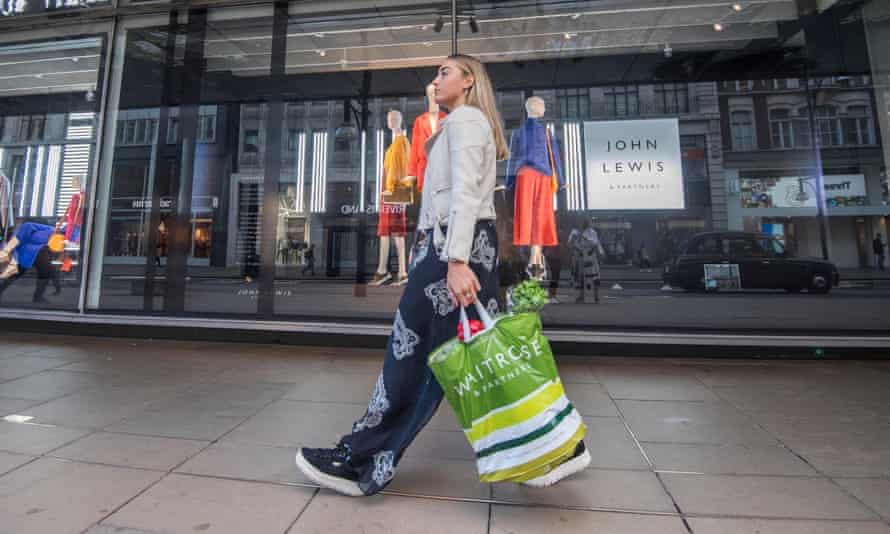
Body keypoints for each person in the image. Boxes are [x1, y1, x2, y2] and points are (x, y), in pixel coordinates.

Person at [295, 54, 589, 497]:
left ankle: (360, 458)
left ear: (469, 80)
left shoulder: (466, 121)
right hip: (457, 247)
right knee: (483, 352)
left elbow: (465, 195)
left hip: (454, 249)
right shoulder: (461, 123)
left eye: (444, 72)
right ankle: (553, 443)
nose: (435, 80)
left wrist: (454, 261)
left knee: (412, 357)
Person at [0, 222, 63, 304]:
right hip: (33, 253)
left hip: (32, 254)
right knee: (44, 272)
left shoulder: (51, 233)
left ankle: (40, 296)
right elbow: (32, 234)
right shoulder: (50, 231)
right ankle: (39, 297)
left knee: (44, 272)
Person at [569, 219, 605, 303]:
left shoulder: (592, 232)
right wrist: (573, 242)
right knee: (581, 277)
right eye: (580, 222)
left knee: (594, 276)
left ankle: (596, 297)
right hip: (580, 257)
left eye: (584, 222)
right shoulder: (575, 232)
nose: (582, 224)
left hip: (590, 256)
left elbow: (595, 243)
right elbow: (570, 243)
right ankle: (581, 296)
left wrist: (601, 252)